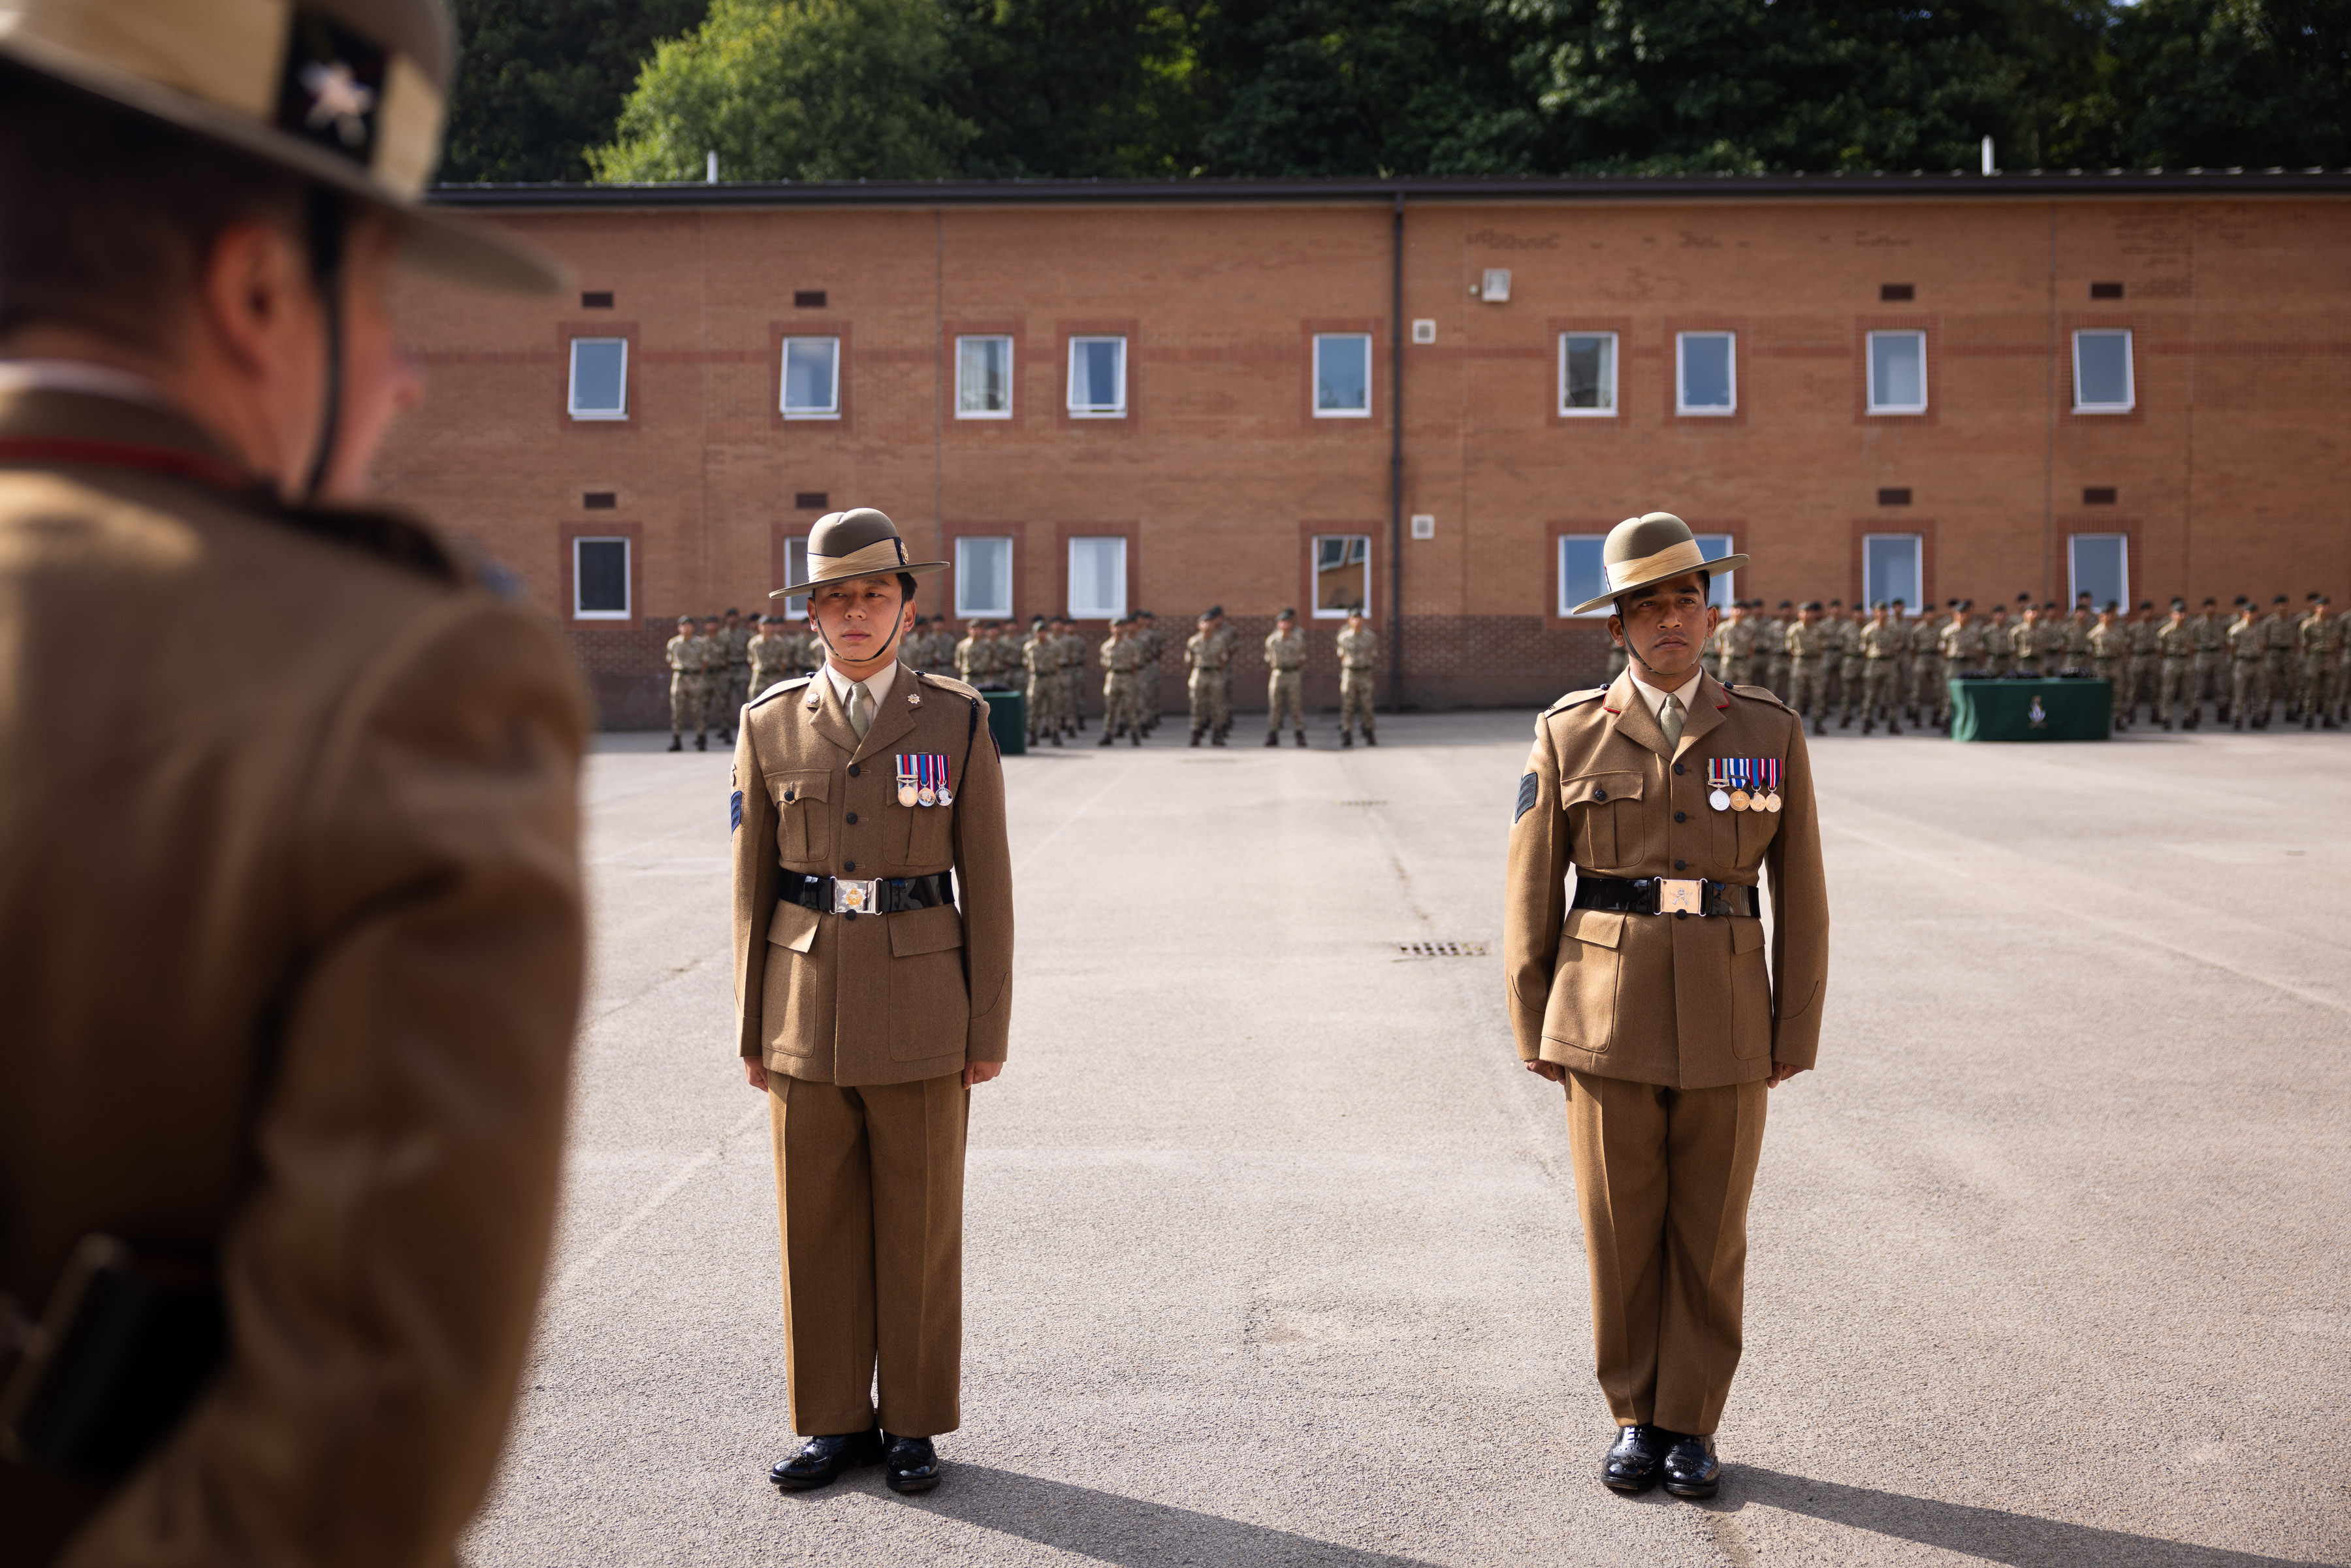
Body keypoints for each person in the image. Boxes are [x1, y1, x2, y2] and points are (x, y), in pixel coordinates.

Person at [0, 5, 589, 1561]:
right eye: (382, 299)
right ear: (263, 288)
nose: (402, 380)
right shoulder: (404, 693)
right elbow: (347, 1473)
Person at [1505, 512, 1827, 1503]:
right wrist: (1535, 1025)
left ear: (1710, 611)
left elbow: (1803, 892)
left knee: (1711, 1228)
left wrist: (1794, 1030)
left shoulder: (1768, 729)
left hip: (1732, 1013)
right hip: (1604, 1014)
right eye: (1647, 606)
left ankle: (1692, 1423)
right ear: (1619, 630)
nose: (1669, 621)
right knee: (1618, 1223)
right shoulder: (1568, 731)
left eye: (1685, 599)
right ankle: (1636, 1417)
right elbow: (1530, 889)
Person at [731, 507, 1013, 1498]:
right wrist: (751, 1028)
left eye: (873, 595)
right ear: (810, 613)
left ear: (908, 606)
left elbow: (991, 884)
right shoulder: (768, 723)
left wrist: (988, 1028)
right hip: (802, 1009)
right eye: (834, 598)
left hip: (925, 1008)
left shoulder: (958, 718)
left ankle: (915, 1425)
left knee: (921, 1223)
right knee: (814, 1224)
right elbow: (748, 887)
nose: (854, 615)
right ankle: (834, 1421)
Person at [1784, 602, 1831, 736]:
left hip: (1815, 663)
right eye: (1805, 612)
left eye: (1810, 612)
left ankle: (1818, 723)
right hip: (1800, 662)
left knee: (1818, 694)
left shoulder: (1820, 629)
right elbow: (1790, 649)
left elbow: (1823, 647)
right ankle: (1792, 725)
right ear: (1800, 614)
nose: (1808, 615)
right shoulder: (1794, 630)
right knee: (1796, 695)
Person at [1336, 609, 1380, 747]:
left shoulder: (1370, 637)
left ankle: (1369, 732)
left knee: (1367, 705)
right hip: (1349, 674)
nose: (1356, 621)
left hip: (1364, 674)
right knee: (1348, 705)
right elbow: (1341, 656)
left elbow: (1373, 654)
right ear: (1349, 621)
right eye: (1353, 619)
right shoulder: (1344, 638)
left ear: (1362, 620)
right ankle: (1347, 733)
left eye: (1359, 618)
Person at [1265, 608, 1308, 746]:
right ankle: (1273, 734)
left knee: (1296, 706)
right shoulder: (1272, 641)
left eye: (1288, 622)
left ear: (1292, 623)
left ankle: (1299, 734)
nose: (1285, 625)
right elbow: (1269, 658)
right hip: (1277, 674)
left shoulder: (1298, 639)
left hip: (1293, 674)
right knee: (1275, 706)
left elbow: (1302, 658)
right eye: (1282, 622)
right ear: (1278, 624)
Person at [1857, 601, 1902, 734]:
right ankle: (1867, 721)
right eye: (1879, 611)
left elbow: (1898, 646)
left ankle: (1893, 723)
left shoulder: (1894, 629)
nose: (1882, 614)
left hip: (1889, 664)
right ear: (1874, 613)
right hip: (1874, 664)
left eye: (1884, 611)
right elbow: (1864, 650)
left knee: (1892, 695)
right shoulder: (1868, 630)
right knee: (1870, 694)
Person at [1185, 611, 1228, 747]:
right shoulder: (1193, 641)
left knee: (1217, 706)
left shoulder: (1219, 641)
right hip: (1199, 674)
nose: (1207, 626)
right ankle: (1196, 734)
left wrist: (1215, 670)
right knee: (1197, 705)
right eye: (1204, 623)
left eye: (1210, 623)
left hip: (1215, 674)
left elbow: (1224, 660)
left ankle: (1217, 735)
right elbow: (1189, 661)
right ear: (1199, 626)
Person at [668, 614, 711, 750]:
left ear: (693, 627)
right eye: (683, 625)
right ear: (679, 628)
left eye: (688, 625)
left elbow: (705, 662)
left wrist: (696, 674)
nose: (686, 628)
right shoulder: (674, 643)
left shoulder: (700, 643)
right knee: (677, 712)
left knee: (698, 710)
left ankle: (701, 739)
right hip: (680, 679)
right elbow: (671, 661)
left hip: (695, 678)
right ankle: (676, 740)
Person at [2226, 598, 2269, 729]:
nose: (2253, 616)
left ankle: (2256, 718)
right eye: (2250, 613)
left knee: (2258, 692)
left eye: (2255, 613)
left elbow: (2264, 645)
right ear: (2245, 614)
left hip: (2257, 662)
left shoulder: (2261, 628)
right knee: (2240, 692)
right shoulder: (2236, 630)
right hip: (2243, 662)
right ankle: (2237, 718)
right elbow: (2232, 648)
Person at [2156, 601, 2198, 730]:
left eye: (2183, 613)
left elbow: (2193, 648)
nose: (2181, 616)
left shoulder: (2190, 631)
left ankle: (2187, 718)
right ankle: (2166, 718)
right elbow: (2160, 650)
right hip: (2171, 662)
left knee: (2188, 692)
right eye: (2178, 613)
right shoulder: (2165, 632)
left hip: (2185, 662)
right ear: (2172, 615)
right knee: (2168, 691)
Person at [2302, 598, 2341, 731]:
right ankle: (2309, 718)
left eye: (2327, 606)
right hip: (2315, 658)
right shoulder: (2308, 624)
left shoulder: (2334, 624)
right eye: (2321, 606)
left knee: (2329, 691)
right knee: (2311, 690)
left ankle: (2328, 718)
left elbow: (2337, 643)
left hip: (2329, 658)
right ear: (2316, 608)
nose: (2325, 609)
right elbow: (2305, 645)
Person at [2088, 604, 2129, 731]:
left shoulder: (2119, 632)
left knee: (2118, 693)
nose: (2108, 617)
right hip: (2101, 664)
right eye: (2105, 615)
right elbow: (2090, 651)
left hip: (2115, 664)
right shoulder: (2094, 634)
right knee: (2100, 693)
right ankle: (2100, 720)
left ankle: (2118, 719)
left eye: (2110, 614)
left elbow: (2124, 649)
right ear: (2101, 617)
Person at [720, 606, 753, 739]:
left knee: (743, 700)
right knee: (724, 701)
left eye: (734, 617)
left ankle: (744, 730)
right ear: (727, 619)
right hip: (727, 669)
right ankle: (725, 729)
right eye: (730, 617)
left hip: (741, 668)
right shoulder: (722, 635)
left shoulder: (745, 634)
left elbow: (750, 651)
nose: (732, 619)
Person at [748, 613, 796, 700]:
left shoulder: (780, 642)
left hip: (775, 675)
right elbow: (751, 661)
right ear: (759, 627)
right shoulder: (754, 643)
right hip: (760, 675)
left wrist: (779, 672)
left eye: (769, 625)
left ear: (773, 627)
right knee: (754, 697)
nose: (766, 628)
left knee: (778, 699)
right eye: (763, 625)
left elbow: (784, 661)